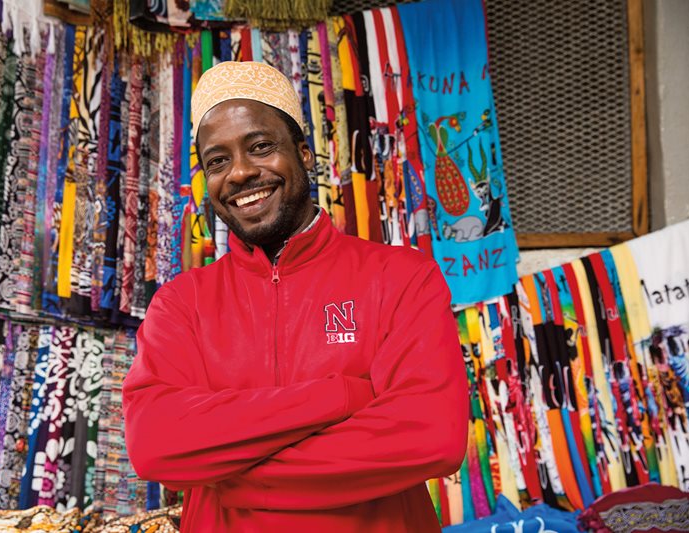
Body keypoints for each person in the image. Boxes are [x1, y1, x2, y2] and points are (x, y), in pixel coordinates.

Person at [122, 61, 468, 532]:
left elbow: (431, 436)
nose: (241, 172)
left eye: (260, 147)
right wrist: (342, 395)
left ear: (304, 154)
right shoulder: (182, 304)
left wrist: (240, 482)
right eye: (218, 161)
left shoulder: (401, 277)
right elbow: (157, 444)